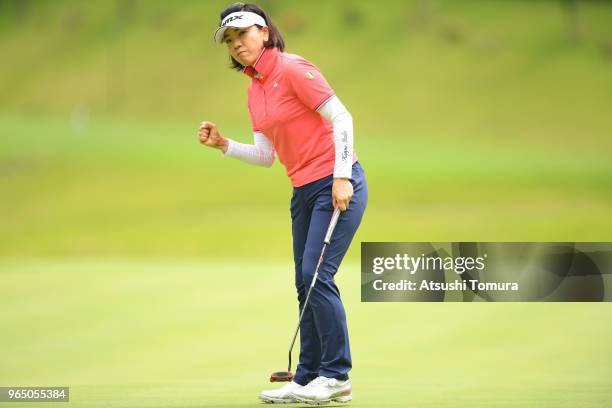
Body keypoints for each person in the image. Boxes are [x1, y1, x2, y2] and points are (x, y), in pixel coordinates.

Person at [199, 2, 367, 404]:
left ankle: (337, 376)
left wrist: (342, 176)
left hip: (335, 184)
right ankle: (307, 378)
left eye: (243, 34)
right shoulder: (254, 90)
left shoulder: (292, 69)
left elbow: (341, 117)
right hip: (303, 191)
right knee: (303, 282)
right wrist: (224, 145)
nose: (237, 44)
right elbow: (265, 155)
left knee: (316, 276)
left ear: (264, 32)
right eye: (230, 40)